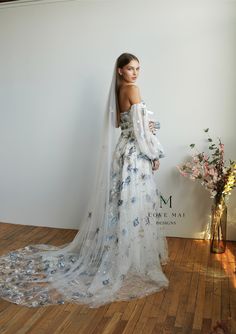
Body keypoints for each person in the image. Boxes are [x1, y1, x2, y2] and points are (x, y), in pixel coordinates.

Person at [0, 52, 169, 308]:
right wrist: (155, 153)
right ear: (121, 70)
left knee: (122, 205)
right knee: (133, 205)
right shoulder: (132, 89)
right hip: (135, 154)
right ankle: (129, 258)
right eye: (131, 68)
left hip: (123, 151)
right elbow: (140, 132)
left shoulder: (119, 90)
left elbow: (123, 124)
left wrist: (147, 124)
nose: (136, 73)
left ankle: (121, 253)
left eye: (138, 68)